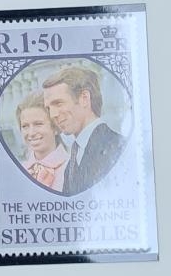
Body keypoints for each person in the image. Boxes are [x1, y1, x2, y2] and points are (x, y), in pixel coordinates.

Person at [41, 63, 124, 195]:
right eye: (49, 108)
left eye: (58, 103)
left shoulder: (116, 146)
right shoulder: (72, 161)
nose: (53, 115)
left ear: (84, 98)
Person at [15, 93, 68, 190]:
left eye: (38, 124)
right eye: (25, 126)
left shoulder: (71, 168)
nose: (31, 133)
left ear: (55, 128)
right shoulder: (19, 170)